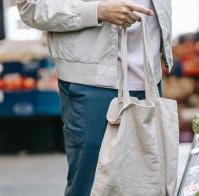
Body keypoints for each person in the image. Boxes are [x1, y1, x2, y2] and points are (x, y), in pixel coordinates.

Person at [17, 0, 172, 195]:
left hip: (149, 78)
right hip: (92, 84)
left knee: (147, 185)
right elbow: (31, 7)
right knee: (90, 185)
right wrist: (97, 11)